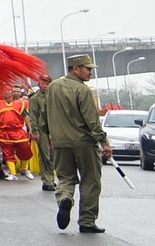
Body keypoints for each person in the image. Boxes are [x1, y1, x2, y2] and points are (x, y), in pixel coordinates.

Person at [47, 55, 110, 234]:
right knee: (90, 180)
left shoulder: (53, 87)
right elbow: (92, 120)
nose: (90, 72)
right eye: (87, 68)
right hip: (83, 142)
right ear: (75, 69)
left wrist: (49, 136)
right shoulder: (82, 90)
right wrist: (104, 142)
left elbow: (46, 113)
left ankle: (65, 198)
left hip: (60, 142)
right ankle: (87, 221)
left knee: (65, 178)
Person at [27, 78, 57, 192]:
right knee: (45, 156)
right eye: (44, 84)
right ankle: (47, 180)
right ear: (39, 84)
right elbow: (33, 116)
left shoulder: (54, 97)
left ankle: (52, 179)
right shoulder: (35, 98)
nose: (46, 86)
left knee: (53, 154)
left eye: (48, 83)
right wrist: (35, 131)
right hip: (42, 130)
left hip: (54, 129)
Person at [0, 88, 35, 179]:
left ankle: (24, 169)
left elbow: (26, 116)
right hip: (5, 132)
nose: (7, 92)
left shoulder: (20, 104)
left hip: (19, 131)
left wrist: (30, 129)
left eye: (9, 90)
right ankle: (13, 173)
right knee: (8, 153)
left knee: (25, 150)